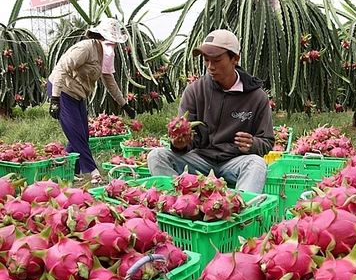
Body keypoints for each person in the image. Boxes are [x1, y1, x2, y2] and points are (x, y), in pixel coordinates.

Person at [147, 29, 274, 194]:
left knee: (257, 163)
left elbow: (267, 141)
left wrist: (253, 144)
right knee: (156, 156)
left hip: (234, 162)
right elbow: (187, 138)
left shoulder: (257, 97)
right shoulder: (195, 91)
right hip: (200, 160)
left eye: (217, 60)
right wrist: (179, 144)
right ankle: (181, 203)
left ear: (235, 59)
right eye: (206, 60)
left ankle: (241, 212)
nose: (210, 67)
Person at [47, 18, 136, 184]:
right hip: (63, 91)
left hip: (78, 95)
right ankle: (94, 174)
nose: (115, 45)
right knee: (78, 135)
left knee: (82, 135)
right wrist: (55, 99)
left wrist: (124, 104)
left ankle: (68, 171)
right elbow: (61, 68)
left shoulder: (105, 54)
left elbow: (109, 81)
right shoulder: (85, 48)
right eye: (113, 41)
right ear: (102, 37)